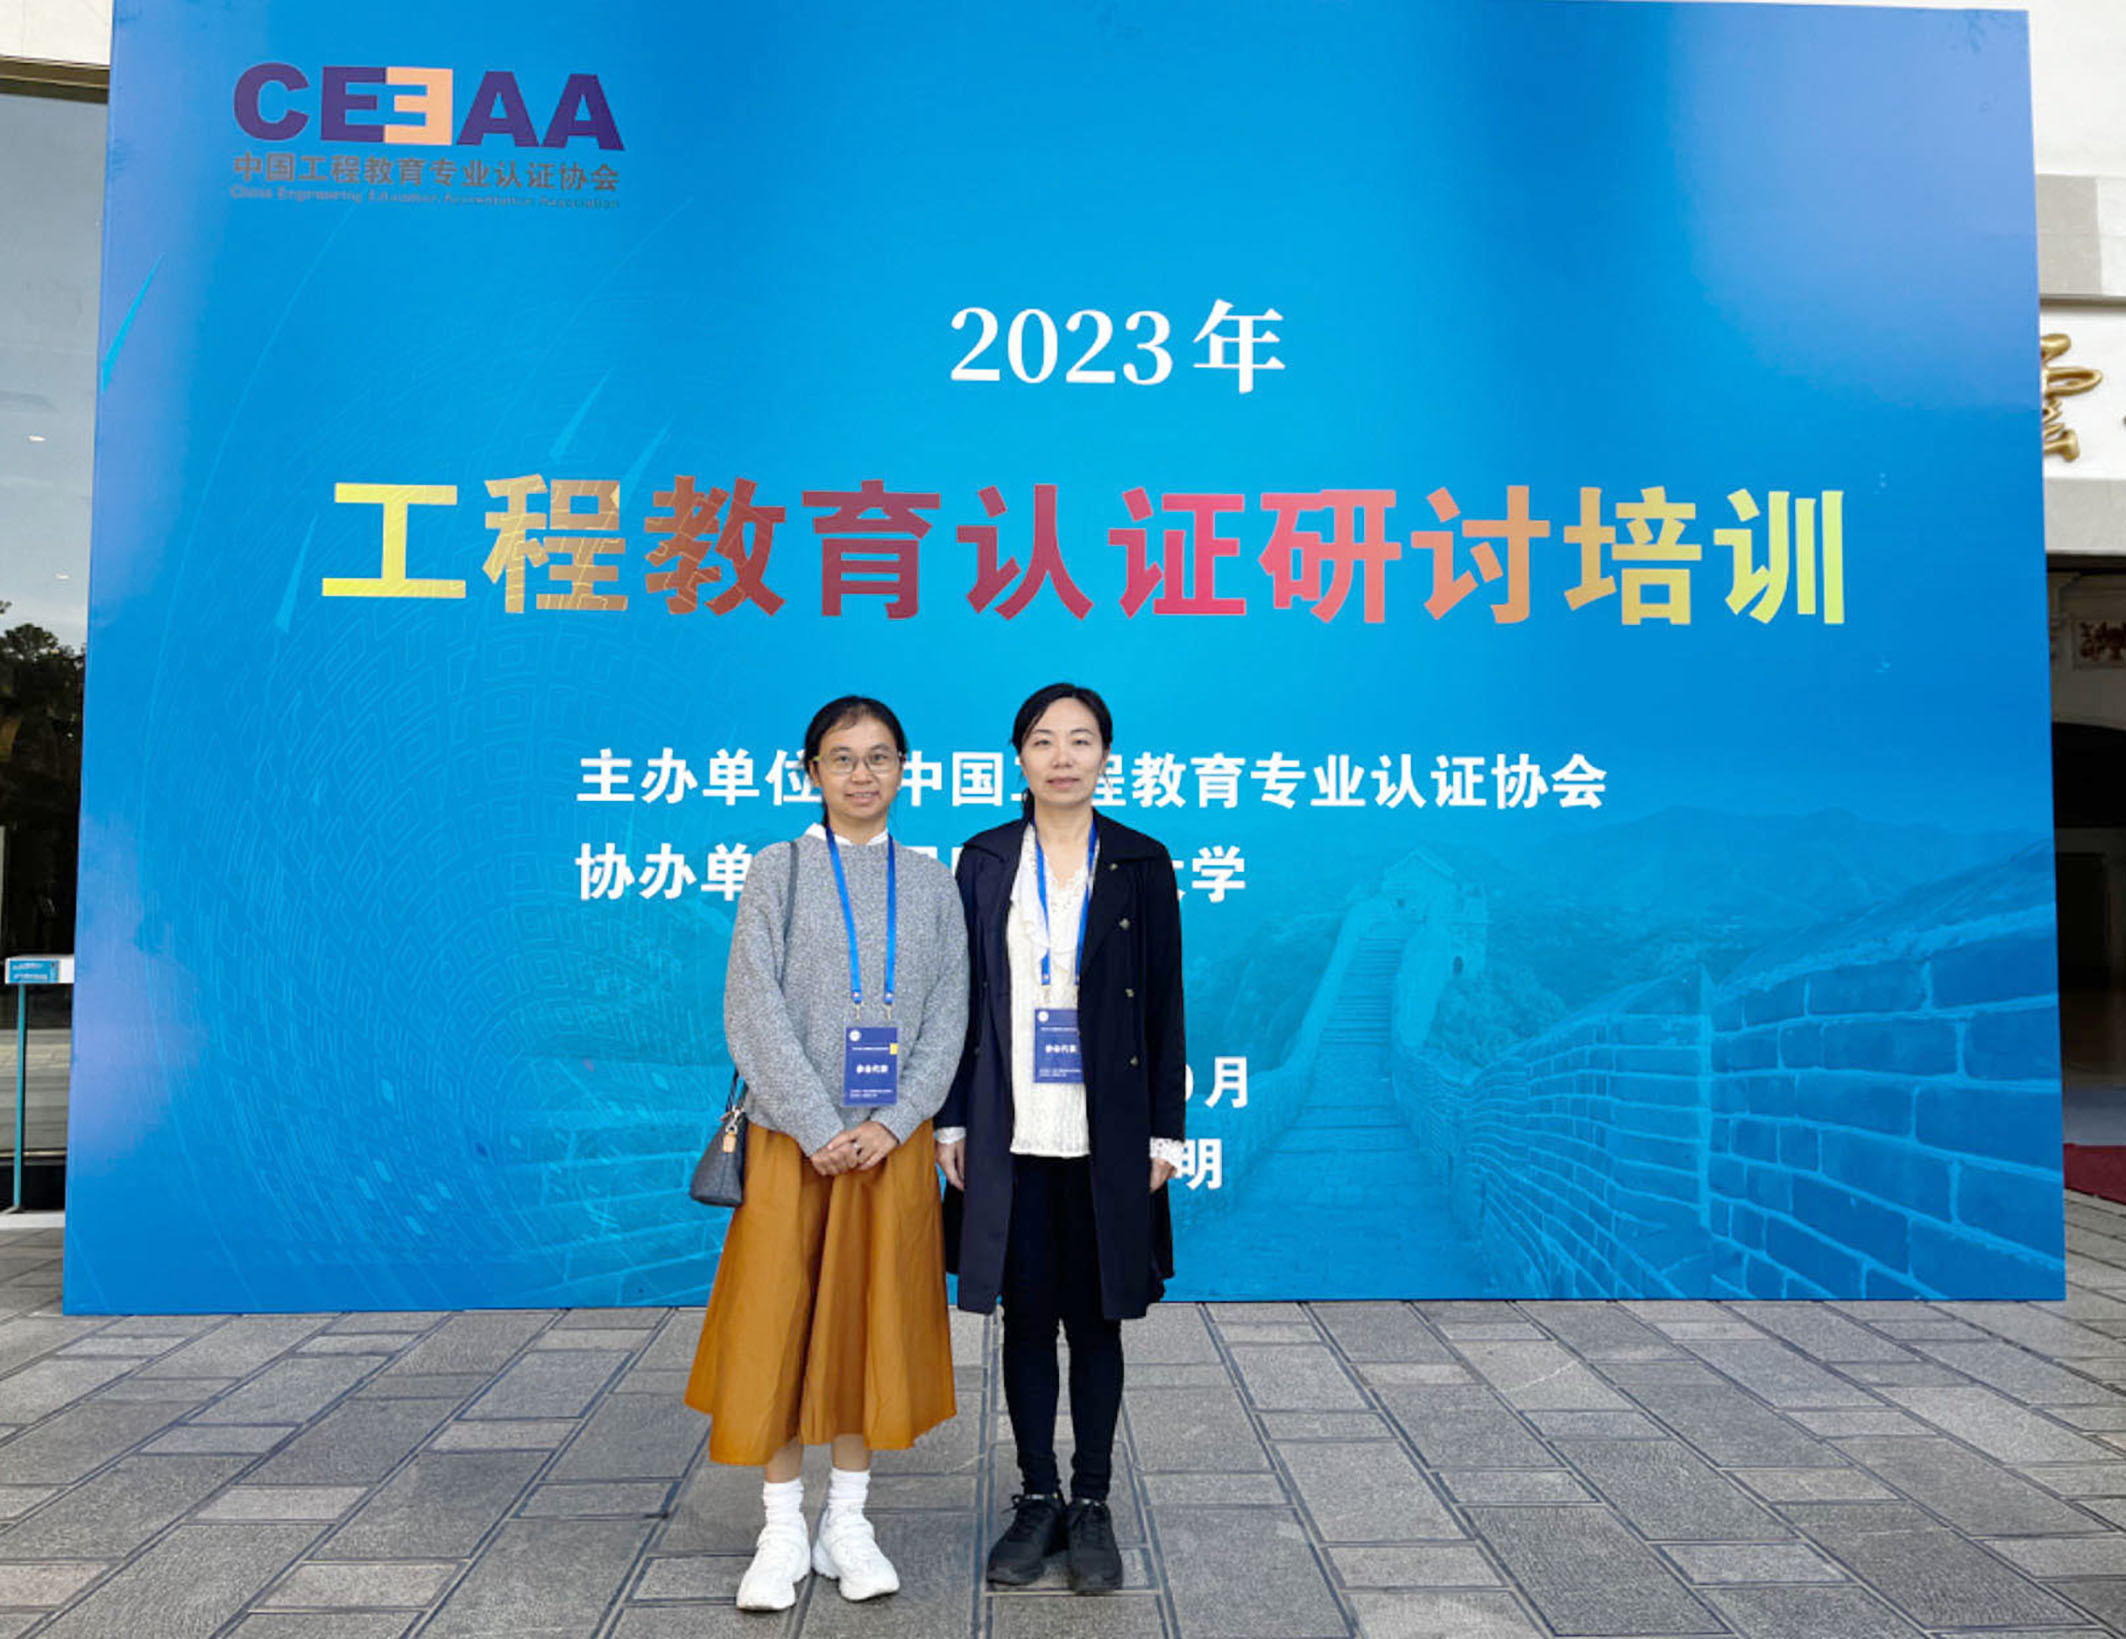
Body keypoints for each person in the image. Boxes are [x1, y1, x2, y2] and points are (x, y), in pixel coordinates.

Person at [685, 695, 969, 1611]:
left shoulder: (931, 882)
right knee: (775, 1324)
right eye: (841, 757)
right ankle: (779, 1527)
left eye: (879, 756)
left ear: (904, 768)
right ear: (810, 770)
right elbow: (750, 1007)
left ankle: (847, 1520)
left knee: (865, 1327)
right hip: (788, 1142)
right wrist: (817, 1124)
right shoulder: (779, 870)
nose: (861, 773)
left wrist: (893, 1120)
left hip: (889, 1147)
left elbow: (951, 1015)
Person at [937, 682, 1187, 1594]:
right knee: (1028, 1316)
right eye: (1044, 740)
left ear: (1106, 756)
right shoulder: (985, 859)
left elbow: (1166, 999)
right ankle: (1037, 1495)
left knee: (1098, 1317)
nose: (1063, 757)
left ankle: (1091, 1501)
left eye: (1081, 740)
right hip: (1010, 1128)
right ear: (1019, 756)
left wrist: (1167, 1131)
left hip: (1106, 1131)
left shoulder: (1141, 861)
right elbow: (958, 999)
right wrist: (952, 1117)